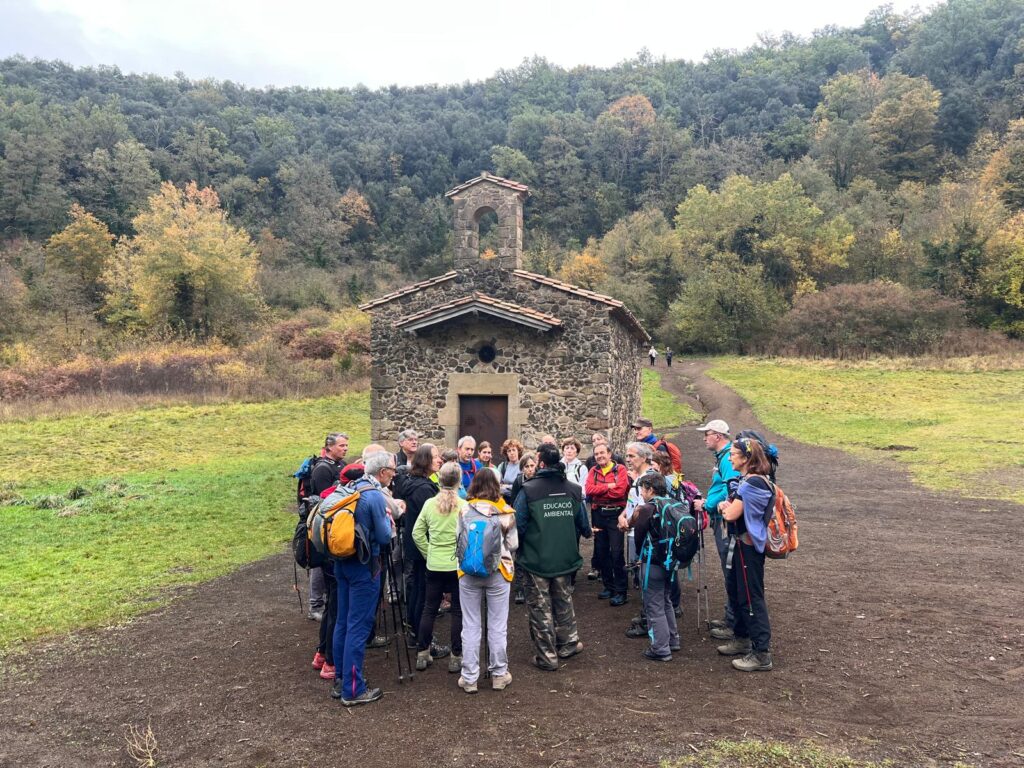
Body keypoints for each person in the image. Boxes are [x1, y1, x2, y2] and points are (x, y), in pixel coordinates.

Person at [513, 443, 592, 671]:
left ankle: (547, 656)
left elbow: (518, 525)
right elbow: (584, 526)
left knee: (540, 607)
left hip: (536, 559)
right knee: (563, 600)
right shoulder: (573, 489)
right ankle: (568, 643)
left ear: (541, 462)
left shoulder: (529, 490)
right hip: (565, 557)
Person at [328, 450, 394, 706]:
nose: (393, 473)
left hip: (342, 562)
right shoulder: (374, 496)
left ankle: (341, 679)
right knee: (358, 624)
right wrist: (390, 522)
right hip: (366, 565)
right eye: (391, 469)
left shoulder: (350, 487)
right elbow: (384, 537)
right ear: (382, 472)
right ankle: (352, 690)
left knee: (343, 621)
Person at [457, 469, 519, 693]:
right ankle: (499, 674)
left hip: (468, 572)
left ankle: (470, 677)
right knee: (497, 625)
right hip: (499, 572)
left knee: (471, 624)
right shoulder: (505, 511)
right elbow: (513, 545)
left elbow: (458, 538)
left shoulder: (464, 510)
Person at [716, 437, 775, 672]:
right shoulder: (750, 481)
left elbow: (731, 514)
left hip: (748, 548)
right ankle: (742, 638)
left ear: (746, 457)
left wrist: (725, 508)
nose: (730, 457)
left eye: (733, 453)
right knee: (740, 593)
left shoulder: (752, 483)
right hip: (742, 546)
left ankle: (761, 653)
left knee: (751, 597)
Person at [411, 462, 465, 673]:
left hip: (434, 564)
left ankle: (422, 653)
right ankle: (456, 656)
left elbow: (417, 533)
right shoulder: (463, 505)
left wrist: (429, 552)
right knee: (458, 611)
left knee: (429, 608)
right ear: (459, 481)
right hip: (456, 564)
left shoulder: (429, 504)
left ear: (439, 480)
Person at [693, 419, 741, 640]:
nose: (704, 437)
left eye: (708, 433)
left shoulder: (728, 458)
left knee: (731, 570)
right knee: (729, 570)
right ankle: (731, 618)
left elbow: (731, 489)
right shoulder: (724, 457)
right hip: (721, 518)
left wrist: (707, 505)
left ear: (719, 436)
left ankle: (734, 623)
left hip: (724, 520)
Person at [400, 443, 448, 659]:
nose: (440, 460)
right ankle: (422, 638)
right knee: (422, 592)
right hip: (422, 547)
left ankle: (416, 632)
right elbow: (429, 523)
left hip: (415, 545)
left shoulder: (418, 484)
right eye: (436, 457)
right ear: (425, 461)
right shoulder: (423, 489)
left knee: (417, 588)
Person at [627, 473, 680, 661]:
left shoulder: (647, 509)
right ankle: (673, 640)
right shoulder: (673, 504)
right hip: (670, 562)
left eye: (643, 488)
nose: (641, 492)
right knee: (666, 600)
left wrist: (638, 558)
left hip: (653, 563)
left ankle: (660, 648)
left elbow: (639, 536)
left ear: (650, 489)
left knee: (654, 605)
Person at [307, 433, 349, 622]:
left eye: (346, 445)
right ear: (329, 447)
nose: (345, 448)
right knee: (320, 562)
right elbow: (325, 498)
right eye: (341, 445)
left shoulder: (341, 464)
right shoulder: (322, 469)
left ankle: (328, 600)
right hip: (324, 521)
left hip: (337, 521)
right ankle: (315, 605)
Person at [585, 441, 630, 605]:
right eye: (596, 454)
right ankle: (608, 586)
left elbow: (620, 490)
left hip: (616, 514)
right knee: (601, 550)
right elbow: (589, 490)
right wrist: (609, 486)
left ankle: (621, 591)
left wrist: (601, 488)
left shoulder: (621, 470)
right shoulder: (593, 470)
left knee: (617, 552)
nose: (599, 456)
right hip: (598, 514)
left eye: (602, 453)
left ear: (610, 454)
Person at [509, 450, 537, 604]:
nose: (530, 469)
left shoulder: (539, 480)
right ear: (522, 468)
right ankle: (519, 588)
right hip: (521, 522)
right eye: (526, 466)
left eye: (532, 465)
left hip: (535, 522)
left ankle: (533, 585)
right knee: (519, 556)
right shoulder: (519, 481)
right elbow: (514, 502)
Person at [496, 438, 524, 504]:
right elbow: (497, 485)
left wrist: (507, 486)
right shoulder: (502, 466)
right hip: (505, 501)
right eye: (509, 451)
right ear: (506, 454)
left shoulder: (523, 465)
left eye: (514, 450)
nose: (512, 453)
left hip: (519, 500)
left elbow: (522, 485)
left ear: (518, 451)